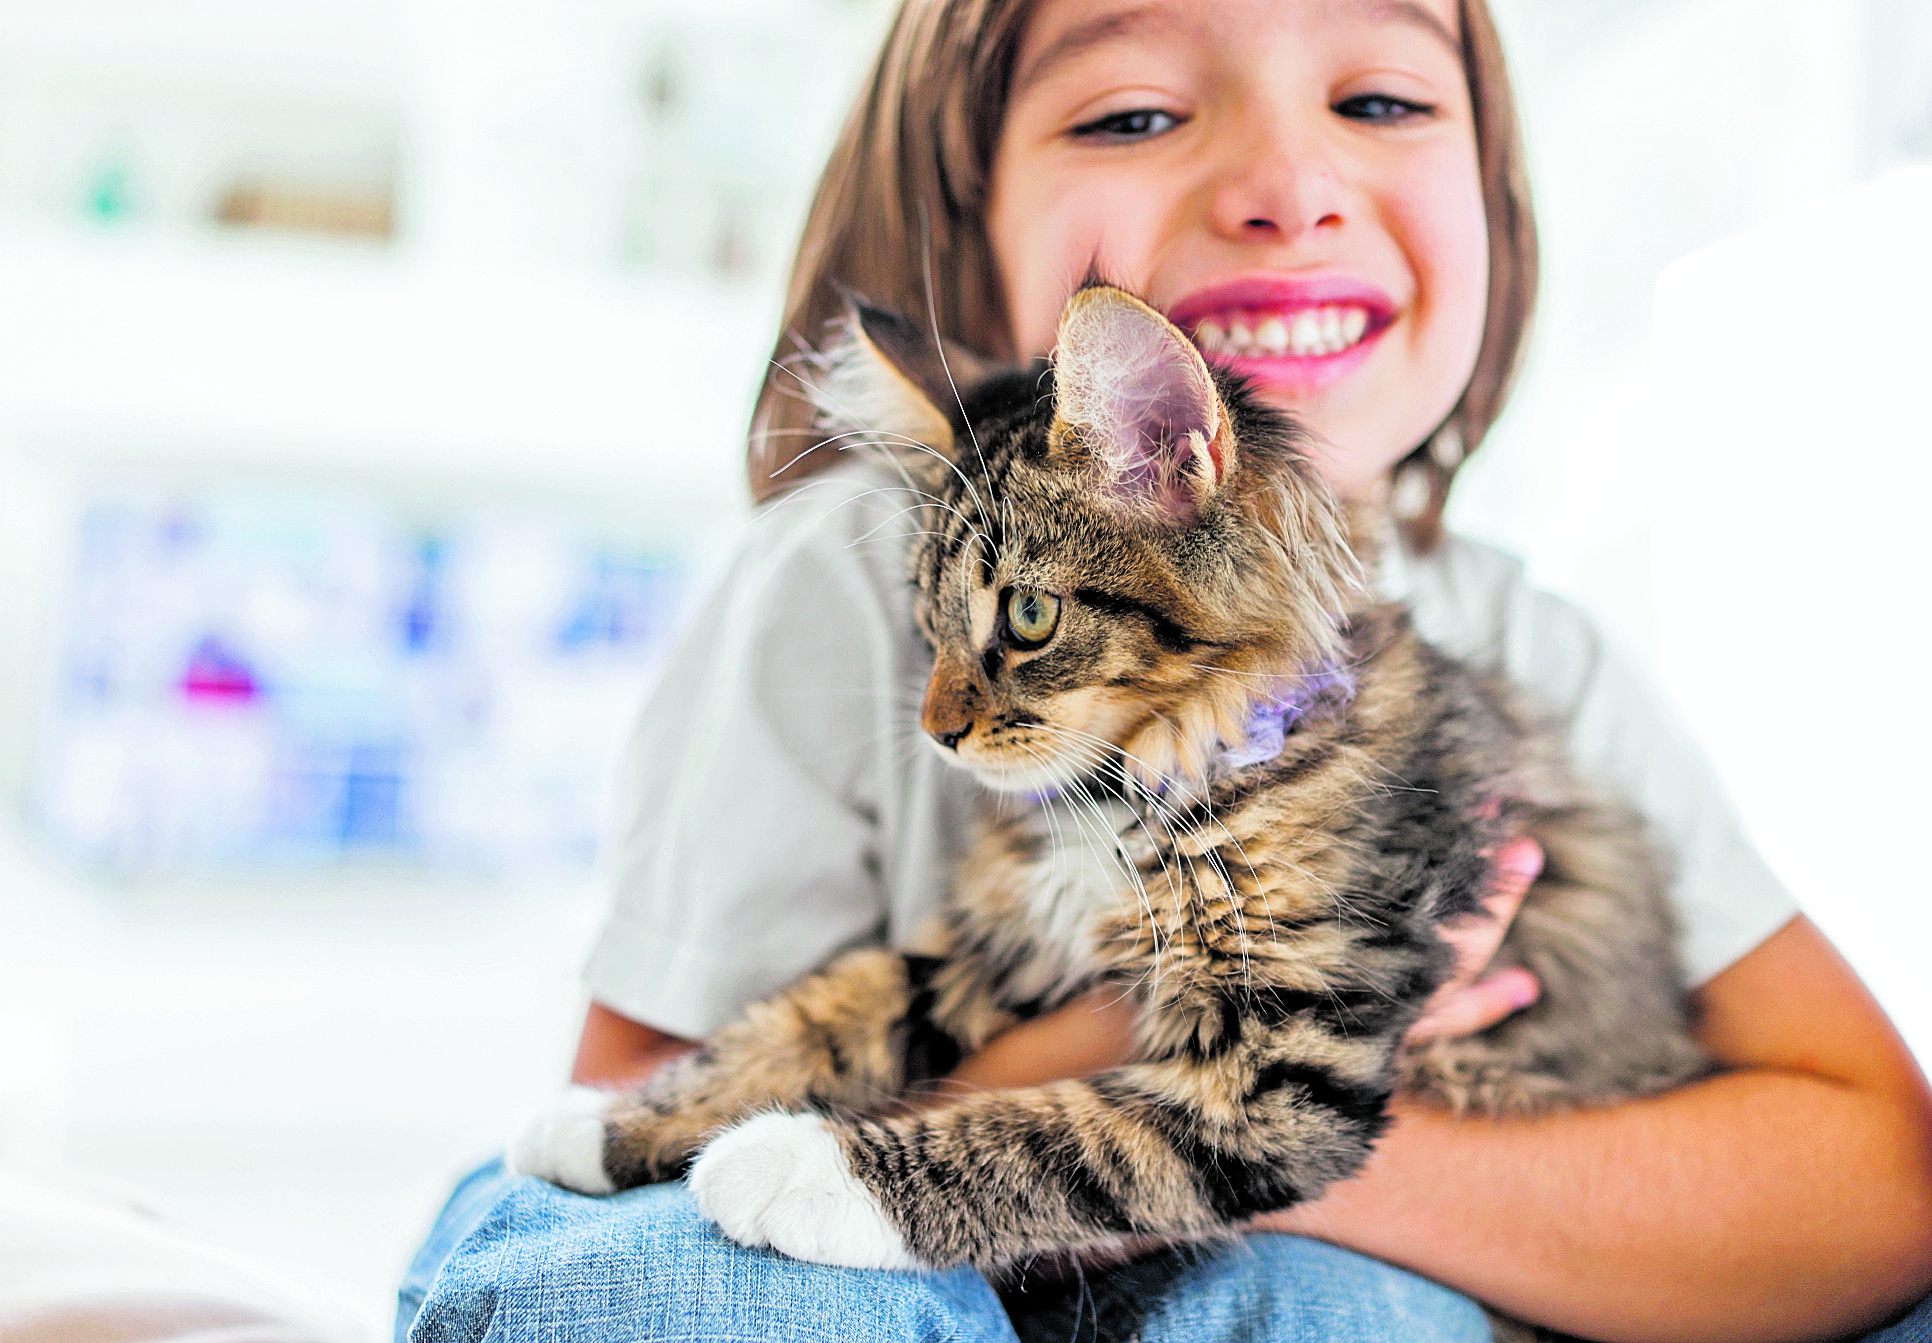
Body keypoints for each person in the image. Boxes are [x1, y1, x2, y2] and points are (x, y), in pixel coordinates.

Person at [398, 0, 1932, 1339]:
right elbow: (656, 1145)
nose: (1285, 190)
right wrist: (1135, 1079)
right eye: (1132, 113)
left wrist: (1282, 1142)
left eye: (1380, 98)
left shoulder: (1532, 653)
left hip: (1378, 1207)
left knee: (1320, 1308)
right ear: (967, 215)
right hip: (944, 1217)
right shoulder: (853, 566)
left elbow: (1879, 1186)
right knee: (649, 1263)